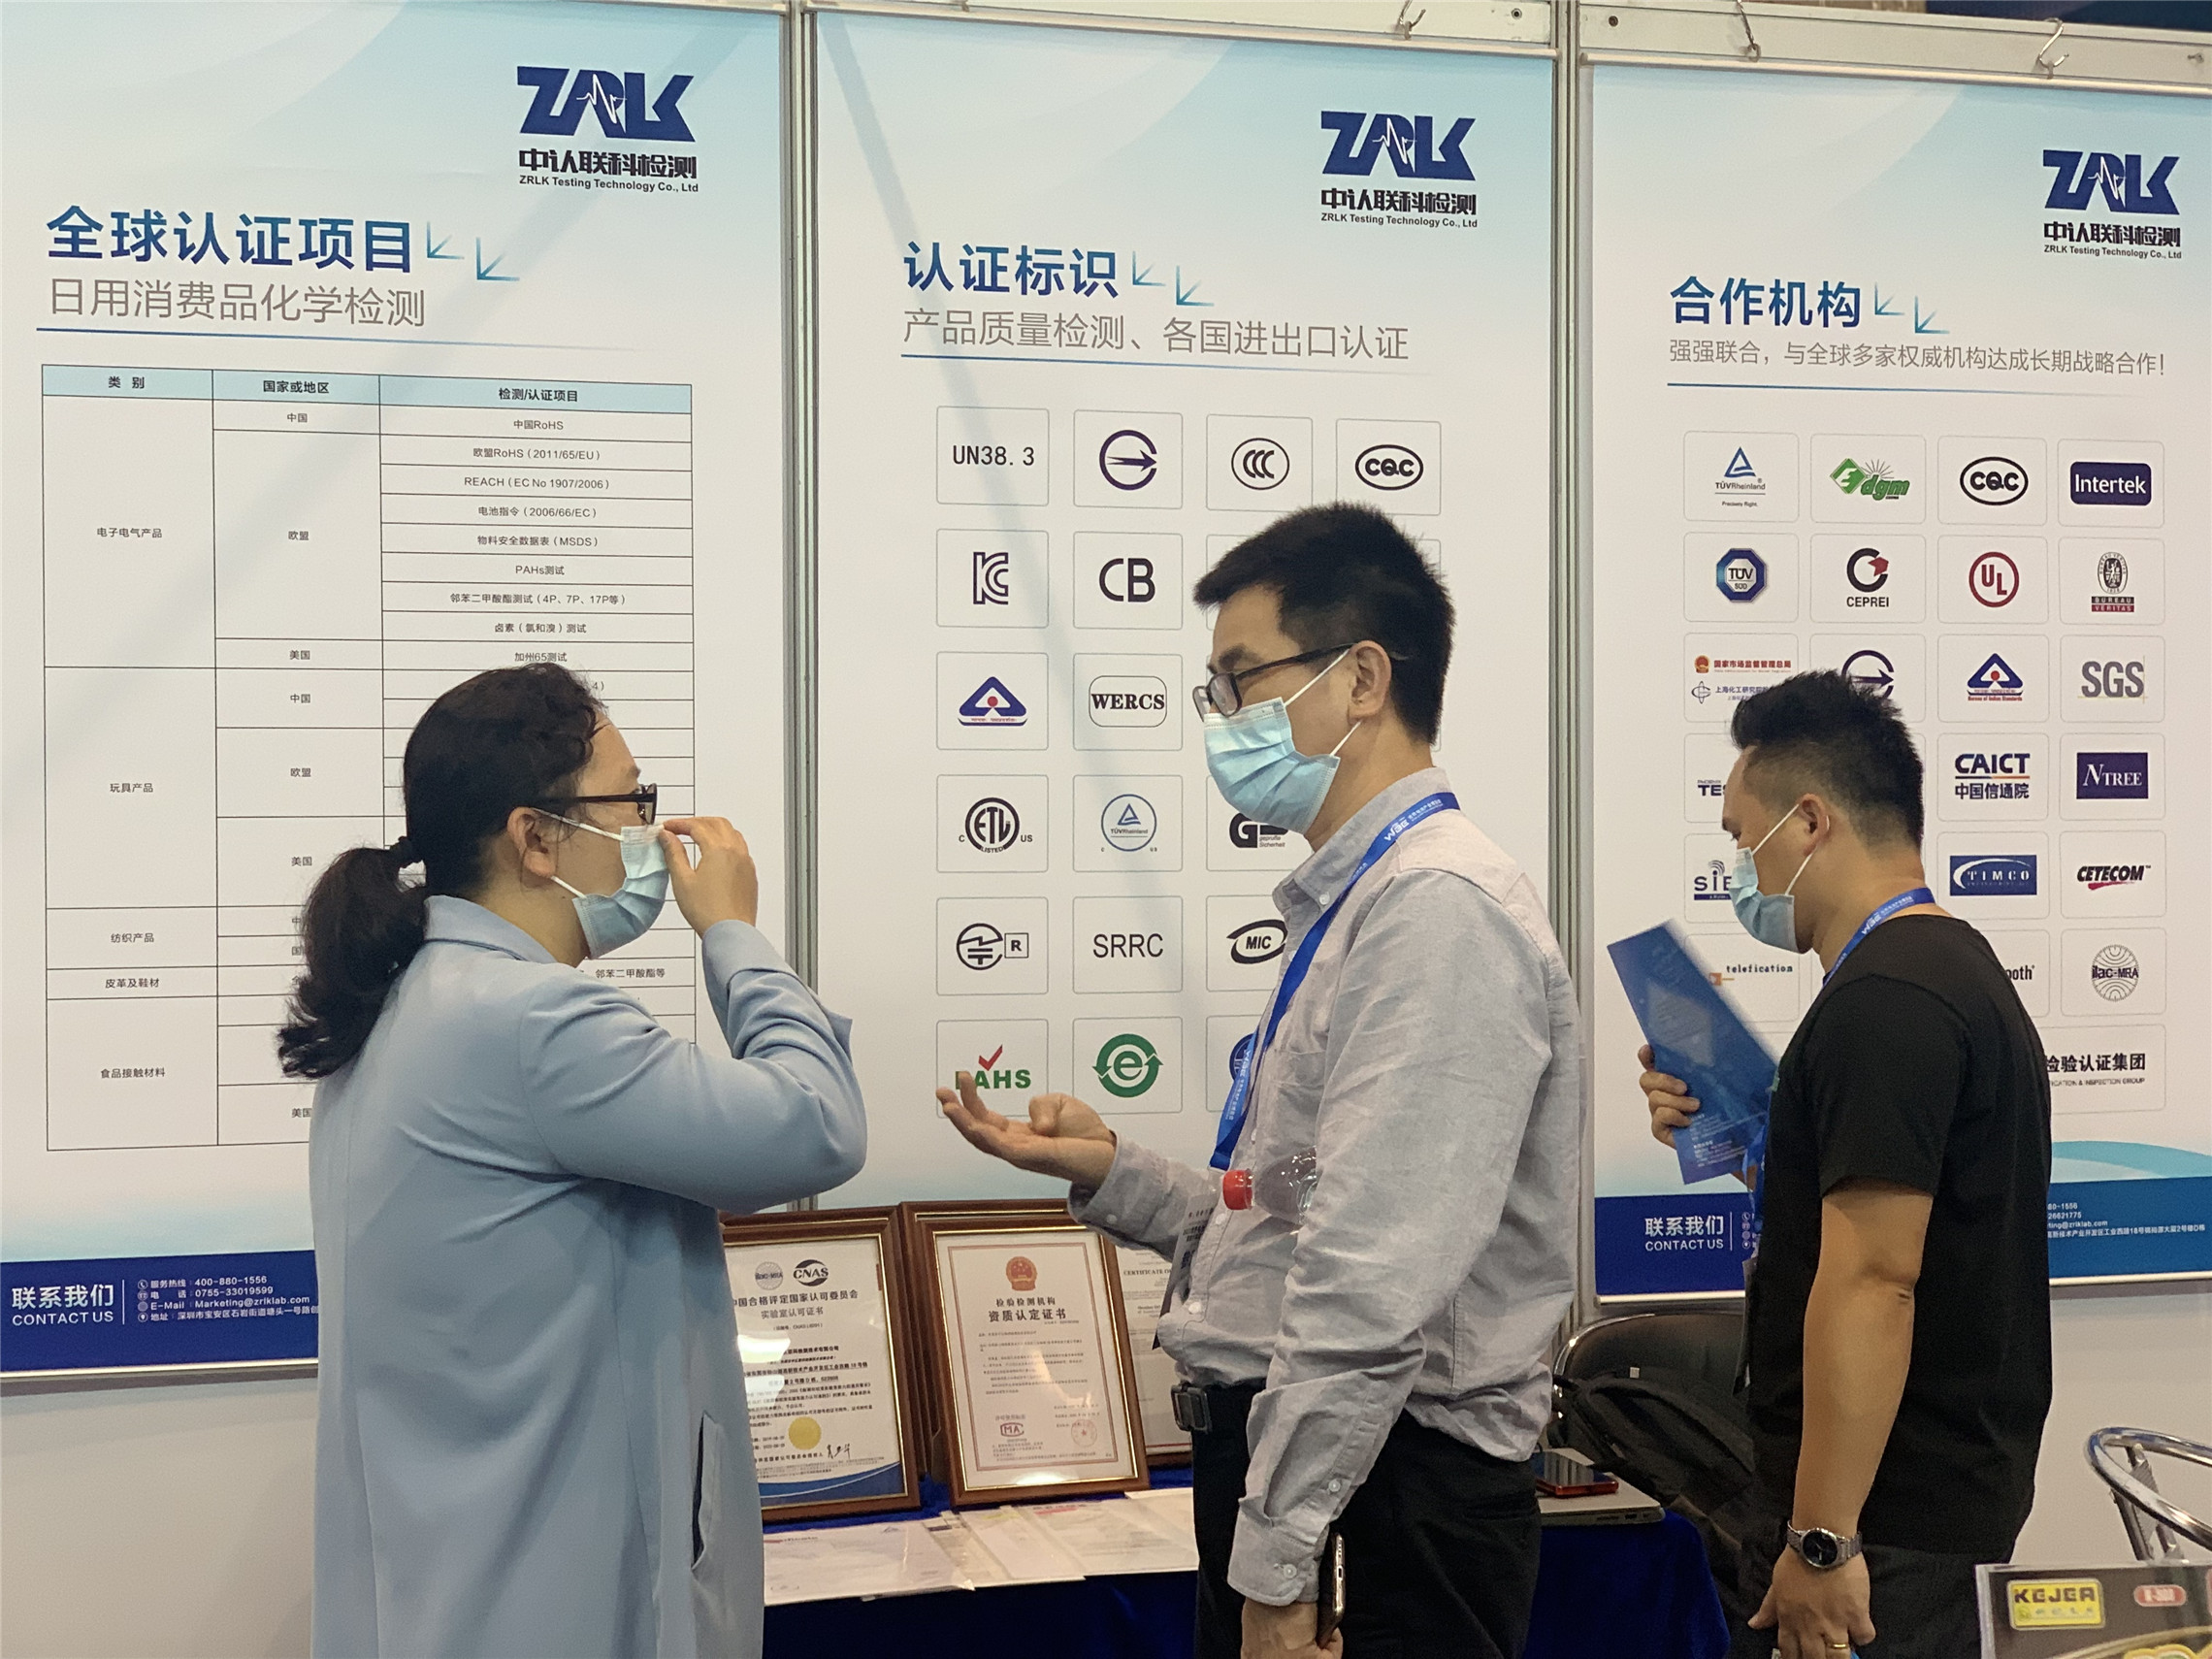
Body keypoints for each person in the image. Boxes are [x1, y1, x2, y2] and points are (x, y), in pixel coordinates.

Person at [939, 504, 1581, 1659]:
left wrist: (1283, 1569)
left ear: (1362, 679)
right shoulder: (1364, 900)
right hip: (1331, 1480)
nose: (1223, 718)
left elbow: (1371, 1281)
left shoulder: (1436, 911)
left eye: (1242, 680)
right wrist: (1118, 1174)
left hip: (1382, 1496)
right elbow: (1298, 1209)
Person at [283, 663, 865, 1659]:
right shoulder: (532, 1022)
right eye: (631, 801)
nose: (651, 830)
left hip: (453, 1591)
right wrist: (733, 932)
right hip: (550, 1600)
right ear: (536, 837)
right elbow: (815, 1126)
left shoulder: (400, 1006)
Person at [1637, 670, 2052, 1659]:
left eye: (1743, 837)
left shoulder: (1887, 1003)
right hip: (1914, 1511)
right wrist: (1749, 1143)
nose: (1739, 867)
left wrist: (1822, 1542)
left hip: (1882, 1528)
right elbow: (1900, 1215)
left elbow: (1874, 1279)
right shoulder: (1945, 970)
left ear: (1811, 821)